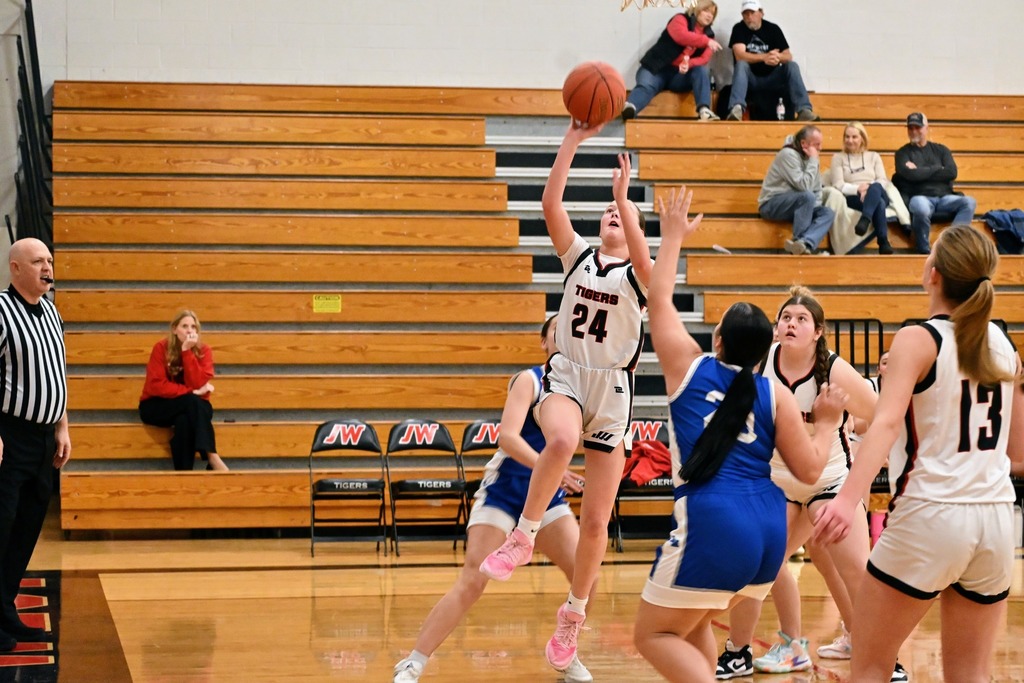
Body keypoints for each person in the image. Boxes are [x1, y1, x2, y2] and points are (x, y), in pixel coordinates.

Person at [632, 186, 847, 683]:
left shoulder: (688, 367)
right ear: (764, 349)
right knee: (693, 622)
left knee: (652, 635)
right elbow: (812, 471)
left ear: (718, 340)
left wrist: (673, 237)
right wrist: (830, 422)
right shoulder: (774, 394)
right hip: (770, 533)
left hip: (712, 523)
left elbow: (658, 295)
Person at [815, 224, 1024, 682]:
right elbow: (1017, 451)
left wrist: (846, 500)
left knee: (869, 666)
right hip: (995, 520)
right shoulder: (1005, 347)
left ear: (934, 274)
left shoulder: (918, 338)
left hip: (931, 514)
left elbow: (886, 424)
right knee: (970, 675)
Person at [479, 125, 652, 672]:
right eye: (607, 210)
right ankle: (524, 536)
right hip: (570, 375)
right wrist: (573, 139)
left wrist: (626, 200)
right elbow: (550, 201)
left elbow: (650, 265)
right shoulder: (577, 258)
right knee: (559, 436)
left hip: (615, 389)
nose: (611, 215)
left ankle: (573, 617)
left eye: (621, 215)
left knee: (597, 522)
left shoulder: (637, 276)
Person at [392, 315, 593, 683]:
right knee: (473, 580)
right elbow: (507, 438)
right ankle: (414, 662)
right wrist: (552, 467)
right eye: (554, 332)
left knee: (586, 578)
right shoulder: (528, 379)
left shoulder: (580, 390)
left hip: (547, 500)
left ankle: (566, 655)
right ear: (544, 343)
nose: (562, 337)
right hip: (505, 491)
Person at [713, 286, 892, 680]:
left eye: (801, 318)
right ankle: (744, 650)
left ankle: (884, 657)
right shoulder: (760, 364)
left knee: (856, 571)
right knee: (758, 564)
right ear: (776, 328)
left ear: (818, 332)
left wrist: (858, 484)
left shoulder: (837, 371)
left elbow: (883, 421)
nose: (791, 323)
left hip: (828, 483)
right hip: (777, 481)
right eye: (786, 317)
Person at [0, 238, 71, 648]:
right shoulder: (2, 311)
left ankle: (4, 609)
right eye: (38, 261)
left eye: (49, 260)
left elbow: (56, 374)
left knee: (28, 527)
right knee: (2, 525)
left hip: (46, 437)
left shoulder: (51, 312)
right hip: (11, 436)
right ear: (15, 269)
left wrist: (63, 426)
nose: (47, 267)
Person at [138, 310, 228, 471]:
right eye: (184, 326)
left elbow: (198, 382)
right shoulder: (161, 348)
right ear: (174, 329)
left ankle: (184, 475)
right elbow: (157, 386)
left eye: (193, 327)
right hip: (157, 405)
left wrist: (187, 352)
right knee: (193, 402)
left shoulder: (204, 351)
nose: (189, 330)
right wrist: (191, 392)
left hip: (192, 406)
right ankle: (211, 456)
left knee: (184, 420)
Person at [621, 0, 724, 122]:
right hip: (657, 68)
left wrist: (688, 64)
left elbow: (704, 59)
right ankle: (630, 107)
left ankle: (704, 111)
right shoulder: (680, 19)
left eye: (712, 14)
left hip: (679, 76)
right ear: (697, 9)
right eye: (706, 11)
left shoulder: (710, 36)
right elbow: (681, 36)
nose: (709, 15)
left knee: (701, 71)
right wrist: (706, 41)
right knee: (646, 86)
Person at [892, 112, 977, 255]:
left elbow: (951, 173)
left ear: (927, 128)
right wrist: (937, 169)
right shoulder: (902, 153)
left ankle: (950, 245)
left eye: (918, 127)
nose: (913, 131)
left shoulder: (941, 150)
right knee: (920, 208)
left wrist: (919, 171)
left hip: (945, 197)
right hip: (919, 197)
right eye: (910, 128)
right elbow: (908, 175)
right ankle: (923, 250)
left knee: (969, 202)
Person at [725, 0, 818, 122]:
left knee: (792, 66)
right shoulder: (739, 28)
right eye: (745, 14)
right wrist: (764, 57)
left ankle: (804, 110)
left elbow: (788, 56)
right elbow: (740, 56)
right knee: (741, 65)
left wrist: (777, 57)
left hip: (772, 78)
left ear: (761, 13)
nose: (749, 17)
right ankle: (736, 109)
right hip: (750, 79)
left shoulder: (773, 29)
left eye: (752, 13)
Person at [758, 125, 835, 255]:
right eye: (816, 145)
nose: (820, 148)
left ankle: (805, 243)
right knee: (806, 196)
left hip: (797, 204)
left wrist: (809, 211)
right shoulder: (787, 155)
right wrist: (813, 160)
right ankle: (799, 242)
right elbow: (804, 186)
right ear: (803, 143)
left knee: (827, 212)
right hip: (771, 204)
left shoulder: (811, 158)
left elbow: (816, 189)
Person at [827, 122, 895, 255]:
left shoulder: (874, 156)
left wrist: (868, 189)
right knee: (878, 203)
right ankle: (883, 241)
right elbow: (838, 184)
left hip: (877, 191)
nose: (850, 140)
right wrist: (858, 189)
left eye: (854, 137)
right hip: (854, 196)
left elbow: (882, 180)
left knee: (875, 187)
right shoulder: (838, 158)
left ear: (862, 138)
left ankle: (865, 219)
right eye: (847, 137)